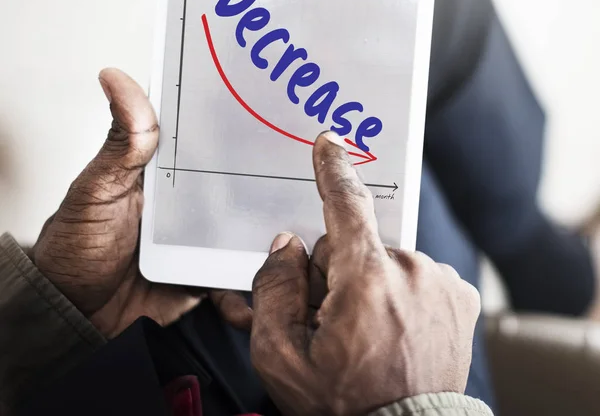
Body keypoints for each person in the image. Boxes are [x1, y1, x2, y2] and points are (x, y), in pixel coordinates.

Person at [0, 68, 489, 416]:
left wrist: (57, 326)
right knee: (406, 143)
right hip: (327, 382)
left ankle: (537, 252)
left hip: (125, 363)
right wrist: (414, 406)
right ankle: (540, 255)